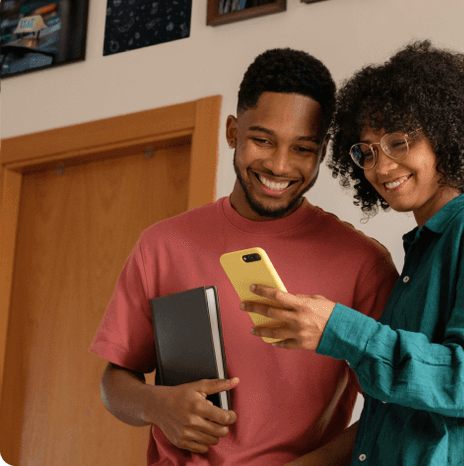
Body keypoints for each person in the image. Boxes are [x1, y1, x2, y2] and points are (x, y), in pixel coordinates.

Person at [241, 40, 464, 465]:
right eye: (367, 152)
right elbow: (402, 408)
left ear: (444, 134)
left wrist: (340, 330)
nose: (381, 167)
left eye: (398, 142)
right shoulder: (427, 247)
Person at [89, 48, 399, 466]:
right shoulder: (162, 245)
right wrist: (157, 406)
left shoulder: (363, 264)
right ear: (233, 131)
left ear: (323, 150)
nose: (279, 165)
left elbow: (391, 410)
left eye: (303, 149)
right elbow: (115, 381)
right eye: (262, 140)